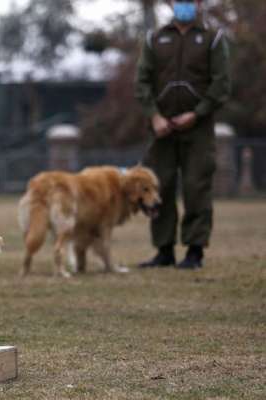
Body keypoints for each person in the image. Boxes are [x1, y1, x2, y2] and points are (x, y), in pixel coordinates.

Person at [135, 0, 231, 269]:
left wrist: (197, 113)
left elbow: (222, 83)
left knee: (196, 187)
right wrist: (154, 116)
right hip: (160, 128)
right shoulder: (155, 39)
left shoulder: (212, 39)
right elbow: (142, 81)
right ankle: (163, 251)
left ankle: (195, 252)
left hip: (198, 129)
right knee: (158, 188)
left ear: (199, 3)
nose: (184, 4)